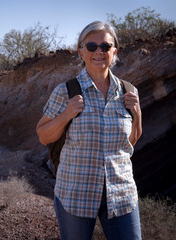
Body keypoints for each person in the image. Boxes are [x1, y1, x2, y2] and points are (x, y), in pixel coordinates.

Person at [36, 21, 142, 240]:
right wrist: (67, 114)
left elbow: (130, 143)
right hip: (76, 195)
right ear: (81, 52)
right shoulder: (65, 91)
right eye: (91, 46)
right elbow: (43, 135)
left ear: (114, 51)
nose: (98, 52)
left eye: (105, 46)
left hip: (121, 195)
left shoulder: (128, 91)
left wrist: (137, 113)